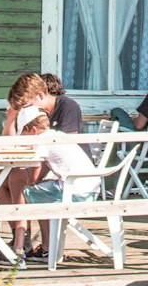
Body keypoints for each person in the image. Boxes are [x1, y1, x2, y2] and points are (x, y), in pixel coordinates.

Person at [14, 104, 101, 264]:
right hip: (89, 189)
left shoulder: (41, 141)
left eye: (24, 135)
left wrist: (30, 182)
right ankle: (47, 246)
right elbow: (45, 167)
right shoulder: (57, 135)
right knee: (39, 192)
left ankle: (31, 246)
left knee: (26, 192)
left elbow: (35, 173)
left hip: (75, 192)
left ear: (33, 131)